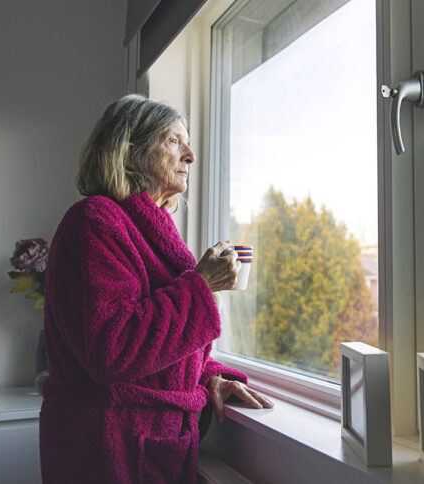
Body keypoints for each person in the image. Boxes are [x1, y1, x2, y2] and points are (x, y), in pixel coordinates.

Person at [39, 94, 273, 483]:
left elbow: (159, 354)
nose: (191, 155)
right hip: (103, 448)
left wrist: (208, 376)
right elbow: (112, 351)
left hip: (146, 442)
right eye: (174, 141)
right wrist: (200, 285)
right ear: (130, 153)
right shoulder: (94, 222)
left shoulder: (150, 228)